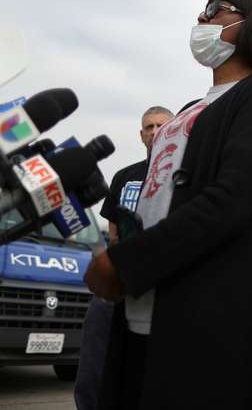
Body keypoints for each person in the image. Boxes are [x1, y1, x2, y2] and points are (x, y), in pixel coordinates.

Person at [84, 0, 252, 410]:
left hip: (204, 323)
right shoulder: (191, 110)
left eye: (215, 10)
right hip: (144, 311)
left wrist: (127, 262)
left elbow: (230, 201)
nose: (201, 20)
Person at [74, 106, 173, 410]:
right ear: (141, 134)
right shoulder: (124, 176)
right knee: (95, 369)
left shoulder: (181, 176)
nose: (154, 131)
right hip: (117, 284)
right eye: (149, 126)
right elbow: (113, 229)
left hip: (160, 288)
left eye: (161, 126)